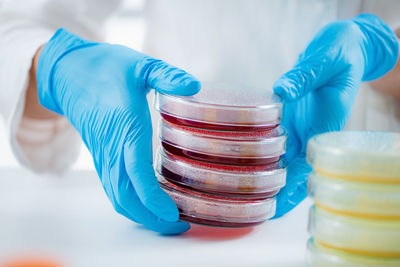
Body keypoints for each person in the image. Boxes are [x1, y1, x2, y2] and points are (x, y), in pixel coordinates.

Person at [0, 0, 399, 234]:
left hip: (356, 209)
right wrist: (57, 66)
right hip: (175, 196)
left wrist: (379, 48)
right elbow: (17, 29)